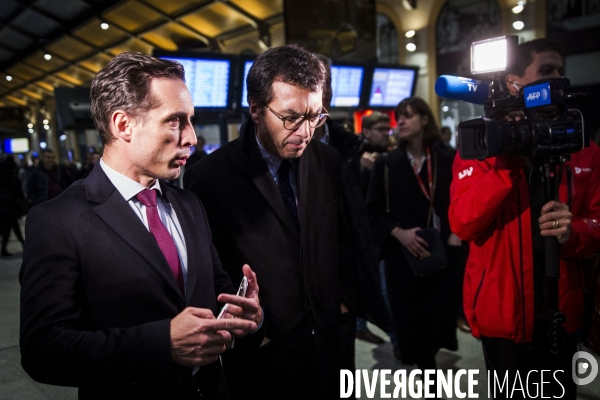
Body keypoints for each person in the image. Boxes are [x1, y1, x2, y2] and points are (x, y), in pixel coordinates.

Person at [19, 52, 263, 400]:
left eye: (190, 120)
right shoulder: (59, 221)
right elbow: (43, 351)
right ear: (123, 125)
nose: (193, 138)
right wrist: (161, 344)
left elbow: (214, 287)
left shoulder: (189, 204)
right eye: (175, 121)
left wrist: (243, 316)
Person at [184, 44, 354, 399]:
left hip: (332, 342)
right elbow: (214, 269)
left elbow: (346, 238)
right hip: (265, 354)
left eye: (316, 116)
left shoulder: (327, 160)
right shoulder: (211, 178)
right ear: (256, 110)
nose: (306, 132)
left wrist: (345, 306)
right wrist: (256, 334)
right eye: (292, 117)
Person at [450, 38, 600, 399]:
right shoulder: (484, 145)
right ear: (514, 81)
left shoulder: (584, 147)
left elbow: (597, 221)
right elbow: (463, 222)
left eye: (561, 71)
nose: (558, 79)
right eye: (546, 71)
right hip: (503, 316)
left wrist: (573, 231)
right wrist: (507, 166)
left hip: (562, 313)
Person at [367, 97, 462, 371]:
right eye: (400, 117)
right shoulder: (386, 163)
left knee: (438, 321)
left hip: (441, 254)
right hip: (403, 258)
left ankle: (429, 368)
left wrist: (456, 234)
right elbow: (371, 212)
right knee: (412, 325)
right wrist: (399, 233)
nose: (402, 122)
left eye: (409, 116)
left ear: (425, 120)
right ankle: (427, 376)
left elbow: (459, 200)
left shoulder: (446, 157)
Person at [312, 54, 394, 351]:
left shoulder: (350, 146)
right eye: (316, 81)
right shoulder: (284, 151)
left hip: (344, 277)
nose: (326, 90)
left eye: (329, 82)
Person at [359, 111, 392, 196]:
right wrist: (364, 170)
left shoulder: (391, 154)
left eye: (387, 129)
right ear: (366, 132)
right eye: (381, 129)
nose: (386, 133)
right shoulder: (354, 155)